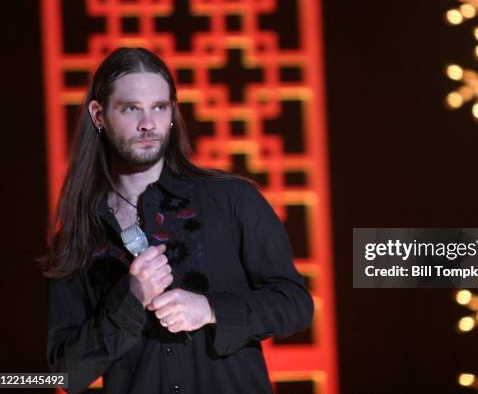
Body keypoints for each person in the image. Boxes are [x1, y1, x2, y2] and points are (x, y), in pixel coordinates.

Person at [40, 47, 314, 394]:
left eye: (159, 107)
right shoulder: (78, 238)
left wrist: (209, 310)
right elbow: (64, 375)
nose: (147, 123)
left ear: (172, 112)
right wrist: (131, 298)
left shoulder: (231, 199)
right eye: (130, 109)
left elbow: (295, 305)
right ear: (99, 115)